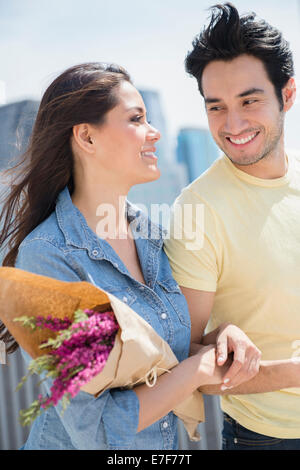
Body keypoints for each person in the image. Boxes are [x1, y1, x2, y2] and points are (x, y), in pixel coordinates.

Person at [0, 62, 260, 450]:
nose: (154, 133)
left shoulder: (152, 237)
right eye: (136, 119)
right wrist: (195, 371)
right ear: (86, 137)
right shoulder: (48, 258)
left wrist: (221, 338)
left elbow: (162, 354)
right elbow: (97, 431)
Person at [164, 2, 300, 450]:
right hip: (269, 439)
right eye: (216, 107)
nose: (233, 124)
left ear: (288, 95)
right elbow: (186, 362)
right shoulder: (197, 211)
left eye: (249, 100)